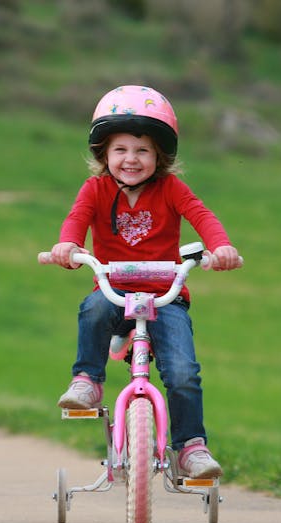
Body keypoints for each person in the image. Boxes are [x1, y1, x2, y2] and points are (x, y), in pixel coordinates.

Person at [48, 85, 242, 479]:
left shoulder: (171, 189)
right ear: (104, 154)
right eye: (120, 150)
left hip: (165, 297)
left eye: (142, 150)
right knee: (94, 309)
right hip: (114, 293)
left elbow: (202, 216)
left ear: (160, 156)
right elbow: (76, 219)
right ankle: (88, 379)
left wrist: (220, 248)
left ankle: (190, 447)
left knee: (184, 372)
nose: (131, 160)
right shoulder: (96, 189)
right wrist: (68, 245)